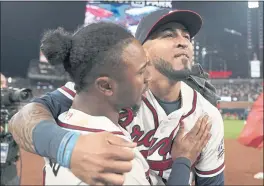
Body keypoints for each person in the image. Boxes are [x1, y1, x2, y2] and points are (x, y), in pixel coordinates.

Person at [9, 9, 224, 185]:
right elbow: (22, 119)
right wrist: (68, 147)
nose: (183, 41)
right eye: (169, 34)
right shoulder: (108, 89)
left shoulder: (206, 115)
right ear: (140, 49)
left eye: (187, 36)